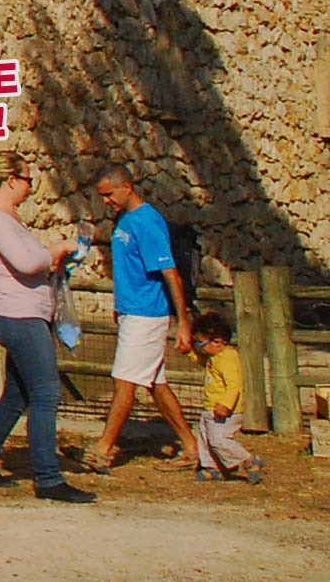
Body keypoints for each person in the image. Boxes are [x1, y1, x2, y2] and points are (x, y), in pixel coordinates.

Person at [0, 152, 93, 503]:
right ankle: (48, 478)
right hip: (19, 317)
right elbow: (26, 261)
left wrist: (55, 260)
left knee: (17, 395)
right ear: (12, 180)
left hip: (23, 313)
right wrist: (60, 247)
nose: (31, 187)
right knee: (46, 394)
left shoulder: (7, 220)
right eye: (28, 179)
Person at [86, 165, 197, 473]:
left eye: (109, 194)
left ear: (127, 187)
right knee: (155, 384)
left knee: (124, 382)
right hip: (132, 312)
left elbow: (170, 273)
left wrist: (183, 321)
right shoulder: (124, 220)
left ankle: (103, 449)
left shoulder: (147, 222)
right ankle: (190, 446)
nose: (106, 201)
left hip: (147, 315)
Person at [189, 310, 259, 485]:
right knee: (205, 439)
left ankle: (249, 460)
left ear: (218, 341)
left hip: (224, 411)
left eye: (200, 343)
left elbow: (234, 385)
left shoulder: (227, 358)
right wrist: (189, 351)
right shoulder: (215, 356)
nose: (199, 347)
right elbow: (201, 361)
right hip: (210, 408)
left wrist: (226, 405)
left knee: (219, 440)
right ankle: (213, 467)